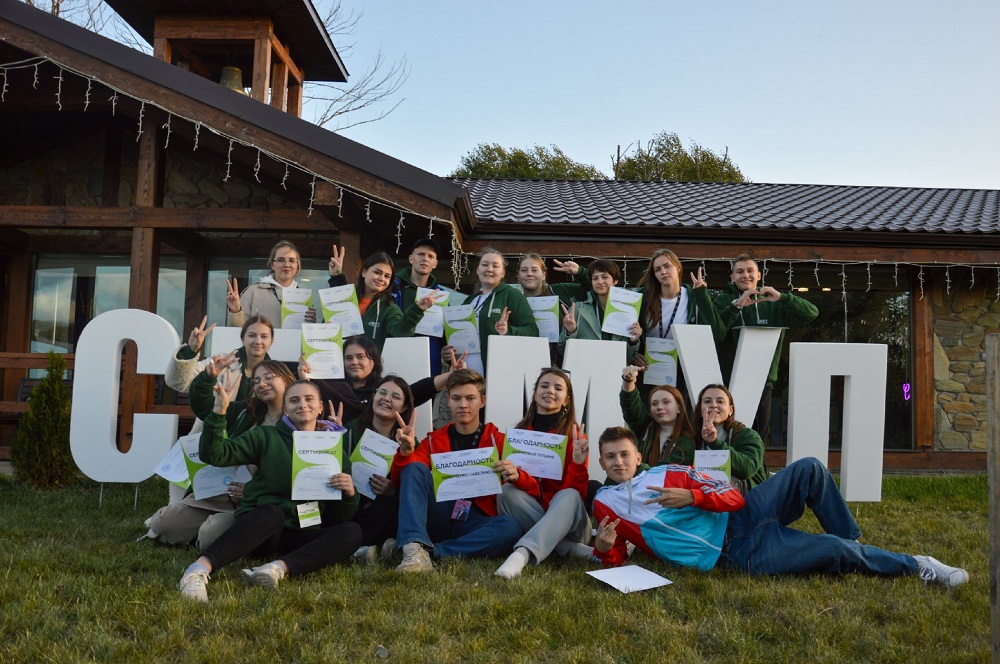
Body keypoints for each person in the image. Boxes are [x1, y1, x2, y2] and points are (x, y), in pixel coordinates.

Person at [591, 427, 969, 588]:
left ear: (637, 456)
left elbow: (733, 497)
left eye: (624, 454)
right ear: (602, 463)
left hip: (743, 514)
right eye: (610, 457)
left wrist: (693, 497)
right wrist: (605, 550)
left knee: (809, 467)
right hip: (738, 555)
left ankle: (854, 541)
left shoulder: (668, 472)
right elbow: (617, 560)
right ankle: (918, 564)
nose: (618, 462)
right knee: (834, 551)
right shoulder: (604, 503)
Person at [177, 378, 361, 601]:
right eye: (294, 400)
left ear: (320, 406)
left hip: (302, 531)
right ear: (285, 408)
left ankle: (276, 569)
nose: (302, 404)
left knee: (352, 531)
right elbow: (215, 455)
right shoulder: (266, 436)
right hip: (262, 529)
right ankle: (197, 570)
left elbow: (338, 517)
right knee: (273, 512)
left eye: (309, 399)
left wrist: (349, 494)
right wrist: (218, 413)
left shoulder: (333, 449)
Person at [144, 361, 295, 549]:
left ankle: (210, 531)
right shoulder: (245, 411)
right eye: (256, 381)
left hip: (253, 503)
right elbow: (203, 408)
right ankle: (205, 528)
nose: (262, 384)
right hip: (218, 494)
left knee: (210, 535)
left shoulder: (299, 420)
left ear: (287, 378)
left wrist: (252, 490)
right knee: (162, 524)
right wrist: (208, 380)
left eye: (268, 377)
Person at [389, 369, 524, 572]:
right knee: (414, 467)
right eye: (456, 398)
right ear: (448, 401)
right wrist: (405, 453)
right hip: (440, 512)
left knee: (510, 527)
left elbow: (529, 484)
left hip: (475, 519)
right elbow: (404, 480)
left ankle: (429, 553)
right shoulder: (433, 440)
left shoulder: (500, 441)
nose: (463, 405)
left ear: (482, 401)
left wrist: (515, 475)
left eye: (470, 398)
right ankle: (414, 546)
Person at [494, 368, 593, 579]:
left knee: (568, 495)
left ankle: (521, 554)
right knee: (506, 492)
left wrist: (577, 464)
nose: (550, 391)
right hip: (536, 512)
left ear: (567, 400)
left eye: (558, 388)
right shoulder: (520, 432)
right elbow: (535, 490)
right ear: (535, 392)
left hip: (571, 524)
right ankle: (565, 548)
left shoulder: (575, 435)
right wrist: (518, 477)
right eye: (544, 386)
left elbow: (577, 495)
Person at [713, 254, 819, 443]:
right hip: (730, 381)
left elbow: (811, 313)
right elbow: (716, 330)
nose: (745, 275)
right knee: (728, 436)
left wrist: (783, 298)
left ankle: (757, 464)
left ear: (759, 275)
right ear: (732, 277)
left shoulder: (773, 303)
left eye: (750, 271)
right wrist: (736, 306)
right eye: (740, 272)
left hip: (763, 383)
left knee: (758, 438)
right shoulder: (722, 300)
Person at [341, 375, 417, 561]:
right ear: (373, 396)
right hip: (350, 508)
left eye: (395, 397)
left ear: (404, 407)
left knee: (393, 503)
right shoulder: (350, 431)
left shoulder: (409, 441)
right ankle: (376, 547)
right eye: (382, 392)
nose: (386, 399)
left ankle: (369, 548)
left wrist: (393, 490)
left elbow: (416, 487)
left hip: (385, 511)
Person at [634, 248, 725, 395]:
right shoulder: (644, 298)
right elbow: (630, 335)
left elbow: (718, 333)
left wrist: (702, 296)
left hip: (682, 371)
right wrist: (635, 354)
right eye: (657, 269)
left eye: (667, 266)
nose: (663, 272)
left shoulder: (694, 297)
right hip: (649, 368)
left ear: (678, 267)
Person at [326, 246, 441, 353]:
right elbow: (326, 327)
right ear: (364, 272)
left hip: (369, 366)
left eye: (387, 276)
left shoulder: (389, 308)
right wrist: (337, 277)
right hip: (338, 362)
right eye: (377, 272)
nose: (382, 278)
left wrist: (417, 310)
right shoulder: (344, 300)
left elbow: (401, 332)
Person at [460, 248, 538, 375]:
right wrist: (449, 353)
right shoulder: (469, 301)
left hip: (496, 372)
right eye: (485, 264)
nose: (489, 269)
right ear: (478, 270)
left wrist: (507, 331)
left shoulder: (511, 295)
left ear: (502, 273)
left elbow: (532, 331)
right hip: (465, 374)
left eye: (495, 266)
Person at [186, 316, 274, 422]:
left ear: (271, 341)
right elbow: (181, 381)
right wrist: (191, 350)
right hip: (214, 427)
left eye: (264, 336)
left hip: (254, 431)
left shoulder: (276, 374)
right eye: (252, 335)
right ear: (243, 339)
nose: (258, 341)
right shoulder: (221, 361)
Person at [558, 258, 640, 364]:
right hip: (584, 368)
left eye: (605, 277)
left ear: (615, 280)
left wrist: (633, 341)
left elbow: (628, 359)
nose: (600, 282)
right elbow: (562, 351)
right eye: (595, 278)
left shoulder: (628, 311)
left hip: (614, 369)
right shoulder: (577, 309)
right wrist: (570, 332)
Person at [693, 383, 767, 493]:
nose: (714, 405)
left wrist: (714, 443)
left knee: (722, 481)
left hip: (749, 495)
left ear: (730, 410)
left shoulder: (748, 435)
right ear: (700, 409)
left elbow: (748, 469)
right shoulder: (692, 436)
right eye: (707, 401)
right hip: (703, 491)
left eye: (720, 401)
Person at [226, 240, 315, 328]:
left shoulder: (304, 297)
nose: (286, 264)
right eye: (280, 260)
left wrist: (311, 323)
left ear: (297, 265)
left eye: (292, 260)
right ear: (272, 264)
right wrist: (235, 311)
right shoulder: (253, 292)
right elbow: (237, 331)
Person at [393, 238, 448, 375]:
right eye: (421, 254)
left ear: (435, 264)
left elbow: (446, 332)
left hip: (430, 358)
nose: (425, 259)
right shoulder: (393, 287)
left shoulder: (441, 295)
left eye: (430, 256)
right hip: (397, 353)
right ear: (411, 259)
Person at [619, 370, 695, 467]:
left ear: (679, 408)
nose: (659, 407)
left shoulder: (687, 441)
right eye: (654, 404)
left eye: (666, 402)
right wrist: (628, 380)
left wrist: (636, 469)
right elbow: (630, 406)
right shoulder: (645, 426)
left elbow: (665, 469)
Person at [516, 253, 590, 306]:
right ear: (518, 275)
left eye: (534, 270)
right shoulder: (514, 302)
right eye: (524, 270)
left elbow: (594, 289)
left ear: (543, 275)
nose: (529, 274)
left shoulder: (561, 291)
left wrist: (580, 273)